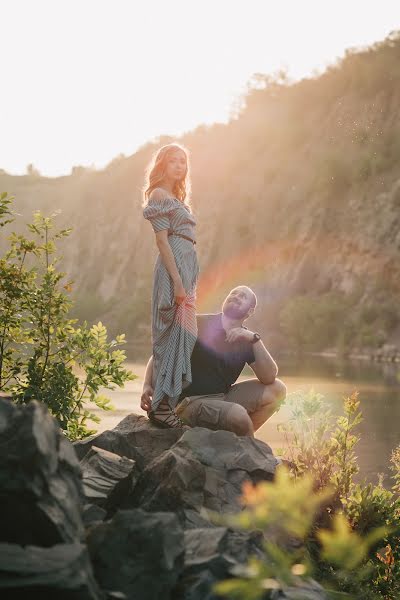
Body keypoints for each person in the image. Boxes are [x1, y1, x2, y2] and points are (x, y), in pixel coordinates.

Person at [141, 285, 286, 436]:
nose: (235, 296)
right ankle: (246, 446)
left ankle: (239, 439)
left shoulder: (247, 339)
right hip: (189, 403)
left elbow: (269, 377)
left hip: (222, 398)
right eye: (233, 292)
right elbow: (160, 355)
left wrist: (255, 340)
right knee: (238, 415)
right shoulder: (196, 323)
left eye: (242, 296)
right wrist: (147, 385)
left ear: (250, 311)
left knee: (278, 390)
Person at [142, 143, 199, 428]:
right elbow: (162, 241)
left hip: (185, 268)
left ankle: (165, 401)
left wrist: (187, 278)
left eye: (183, 162)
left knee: (185, 334)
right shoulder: (159, 195)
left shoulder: (176, 198)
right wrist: (177, 281)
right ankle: (161, 405)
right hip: (172, 270)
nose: (180, 166)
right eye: (174, 161)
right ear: (162, 164)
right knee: (171, 333)